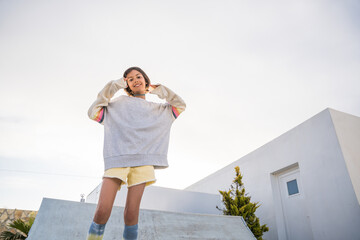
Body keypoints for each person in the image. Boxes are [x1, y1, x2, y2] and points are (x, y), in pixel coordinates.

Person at [86, 66, 186, 240]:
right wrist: (114, 86)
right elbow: (93, 112)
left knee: (131, 214)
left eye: (138, 76)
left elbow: (180, 105)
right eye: (129, 79)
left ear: (146, 80)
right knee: (102, 210)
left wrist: (158, 89)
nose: (135, 80)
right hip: (117, 159)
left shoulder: (159, 109)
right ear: (126, 85)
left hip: (144, 163)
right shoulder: (117, 105)